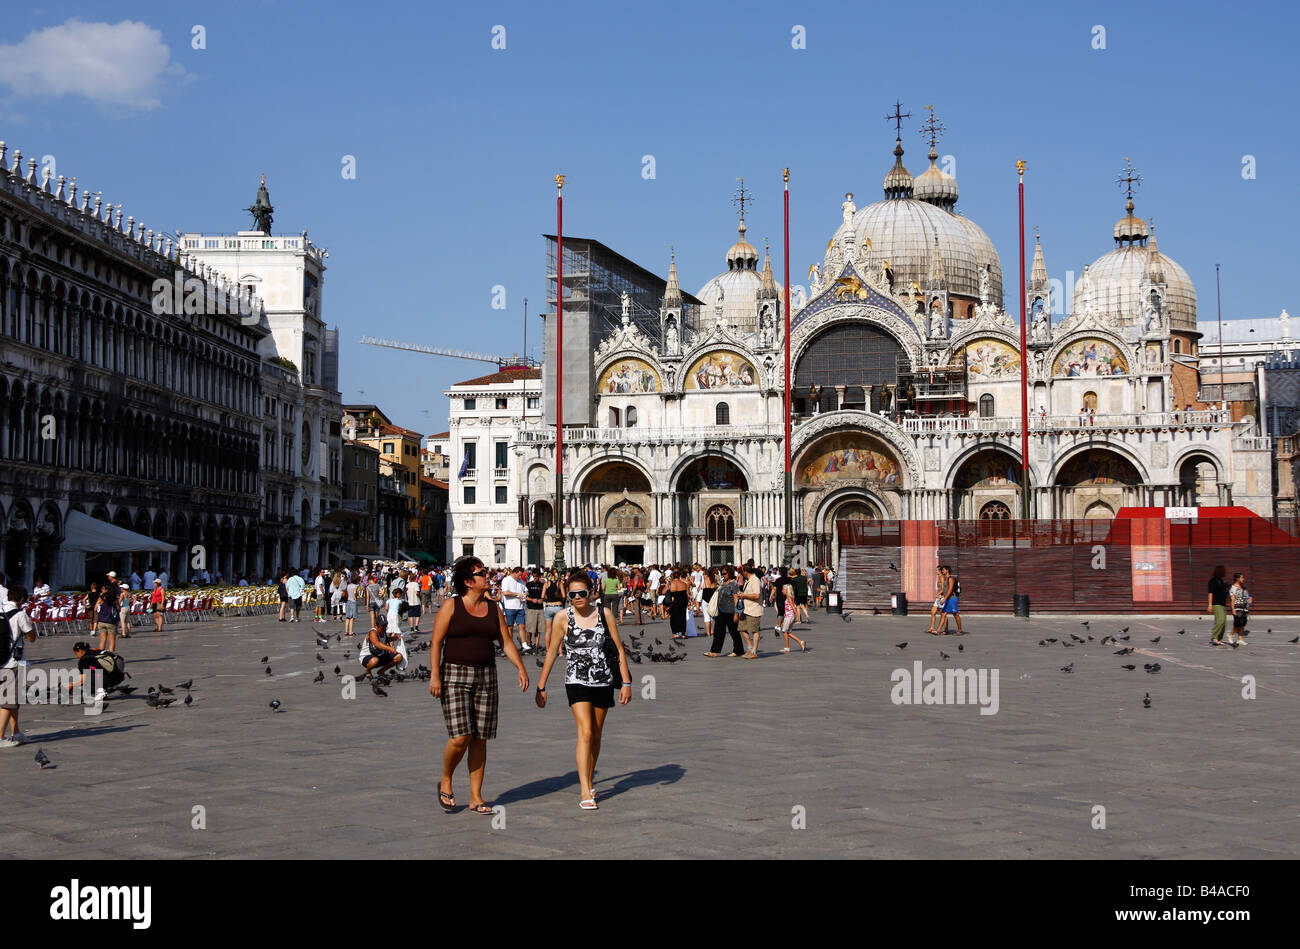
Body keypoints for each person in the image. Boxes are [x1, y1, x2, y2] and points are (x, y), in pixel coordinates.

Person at [430, 557, 529, 814]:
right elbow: (436, 642)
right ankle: (447, 778)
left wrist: (520, 666)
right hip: (454, 675)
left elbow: (506, 642)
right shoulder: (452, 606)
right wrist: (434, 676)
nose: (487, 576)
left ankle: (476, 796)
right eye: (481, 573)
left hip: (486, 675)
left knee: (480, 738)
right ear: (467, 581)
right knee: (460, 736)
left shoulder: (493, 608)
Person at [535, 570, 632, 810]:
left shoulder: (605, 614)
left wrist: (627, 682)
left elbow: (619, 649)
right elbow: (551, 652)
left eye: (582, 593)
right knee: (586, 732)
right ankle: (584, 788)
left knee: (596, 735)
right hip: (576, 680)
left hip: (603, 679)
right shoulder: (562, 617)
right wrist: (541, 685)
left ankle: (588, 777)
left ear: (591, 593)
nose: (577, 598)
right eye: (572, 594)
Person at [0, 587, 37, 747]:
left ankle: (16, 733)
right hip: (12, 663)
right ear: (21, 600)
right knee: (9, 702)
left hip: (0, 661)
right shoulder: (20, 615)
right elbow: (31, 637)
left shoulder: (0, 611)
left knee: (14, 700)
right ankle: (0, 737)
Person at [736, 563, 764, 658]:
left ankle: (754, 652)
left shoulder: (755, 580)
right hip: (746, 609)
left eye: (741, 572)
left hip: (754, 609)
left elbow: (757, 595)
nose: (741, 574)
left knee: (754, 630)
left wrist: (744, 595)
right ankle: (750, 648)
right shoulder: (748, 580)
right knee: (741, 628)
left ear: (745, 571)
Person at [500, 566, 529, 652]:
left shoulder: (521, 581)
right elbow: (505, 592)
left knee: (522, 626)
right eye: (519, 575)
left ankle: (524, 644)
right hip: (510, 606)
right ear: (514, 573)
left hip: (520, 606)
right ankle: (510, 644)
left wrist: (525, 594)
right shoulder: (506, 580)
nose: (520, 577)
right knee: (510, 627)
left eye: (521, 575)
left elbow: (526, 590)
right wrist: (518, 594)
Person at [778, 582, 807, 653]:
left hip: (789, 616)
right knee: (788, 632)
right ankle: (801, 642)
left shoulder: (788, 597)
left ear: (787, 590)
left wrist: (798, 616)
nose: (782, 591)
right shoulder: (790, 597)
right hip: (790, 616)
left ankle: (787, 647)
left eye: (783, 589)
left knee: (784, 631)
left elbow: (793, 607)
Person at [934, 564, 963, 635]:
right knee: (943, 613)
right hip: (947, 598)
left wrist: (944, 599)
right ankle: (938, 631)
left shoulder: (951, 579)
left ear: (947, 570)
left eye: (943, 570)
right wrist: (940, 595)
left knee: (955, 614)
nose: (942, 571)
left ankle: (960, 630)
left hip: (952, 598)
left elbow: (950, 590)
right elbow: (945, 590)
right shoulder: (946, 579)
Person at [96, 573, 121, 652]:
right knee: (112, 640)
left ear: (106, 590)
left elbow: (95, 608)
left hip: (101, 620)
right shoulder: (114, 598)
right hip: (111, 620)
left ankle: (100, 655)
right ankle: (110, 656)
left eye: (103, 589)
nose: (102, 590)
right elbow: (118, 608)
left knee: (102, 640)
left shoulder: (101, 597)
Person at [1207, 565, 1230, 646]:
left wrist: (1226, 587)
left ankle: (1219, 639)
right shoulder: (1213, 581)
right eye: (1223, 571)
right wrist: (1210, 605)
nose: (1225, 572)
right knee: (1220, 621)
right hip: (1216, 604)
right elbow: (1210, 593)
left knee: (1224, 623)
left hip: (1222, 604)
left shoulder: (1221, 581)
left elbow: (1223, 592)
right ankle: (1214, 637)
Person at [524, 569, 546, 652]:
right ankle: (529, 643)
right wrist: (531, 599)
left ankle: (536, 645)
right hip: (531, 608)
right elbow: (525, 596)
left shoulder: (542, 585)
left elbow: (545, 596)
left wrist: (542, 599)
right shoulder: (528, 584)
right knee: (530, 628)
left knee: (538, 628)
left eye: (536, 576)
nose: (535, 578)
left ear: (540, 577)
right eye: (534, 576)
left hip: (540, 608)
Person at [1228, 572, 1252, 646]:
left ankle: (1240, 639)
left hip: (1244, 607)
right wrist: (1233, 609)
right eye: (1242, 578)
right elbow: (1232, 599)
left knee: (1243, 623)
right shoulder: (1233, 588)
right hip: (1237, 607)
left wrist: (1249, 599)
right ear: (1237, 578)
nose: (1243, 579)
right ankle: (1230, 635)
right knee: (1238, 623)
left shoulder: (1243, 587)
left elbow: (1246, 596)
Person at [924, 566, 947, 635]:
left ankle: (946, 629)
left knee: (943, 614)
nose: (936, 571)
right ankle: (932, 628)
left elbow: (943, 589)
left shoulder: (942, 578)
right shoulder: (939, 577)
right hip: (939, 597)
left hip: (942, 597)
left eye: (937, 570)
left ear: (940, 571)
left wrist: (938, 594)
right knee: (933, 612)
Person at [667, 568, 689, 639]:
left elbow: (664, 592)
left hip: (674, 602)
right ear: (679, 576)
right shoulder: (684, 584)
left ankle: (675, 633)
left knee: (673, 618)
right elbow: (687, 594)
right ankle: (683, 634)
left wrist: (667, 584)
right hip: (683, 601)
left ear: (673, 576)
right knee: (682, 617)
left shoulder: (671, 584)